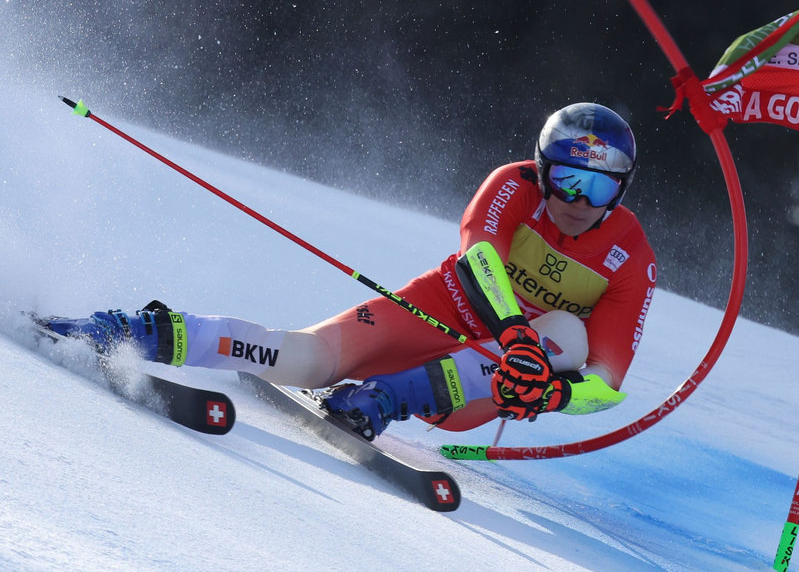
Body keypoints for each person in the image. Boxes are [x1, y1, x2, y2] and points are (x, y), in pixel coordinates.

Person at [41, 103, 656, 441]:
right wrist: (514, 329)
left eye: (599, 186)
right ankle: (138, 330)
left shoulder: (632, 257)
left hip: (481, 386)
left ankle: (387, 398)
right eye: (565, 177)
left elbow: (606, 384)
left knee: (569, 339)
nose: (578, 199)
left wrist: (552, 392)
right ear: (541, 168)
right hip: (436, 308)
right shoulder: (513, 185)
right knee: (304, 358)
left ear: (621, 191)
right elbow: (479, 257)